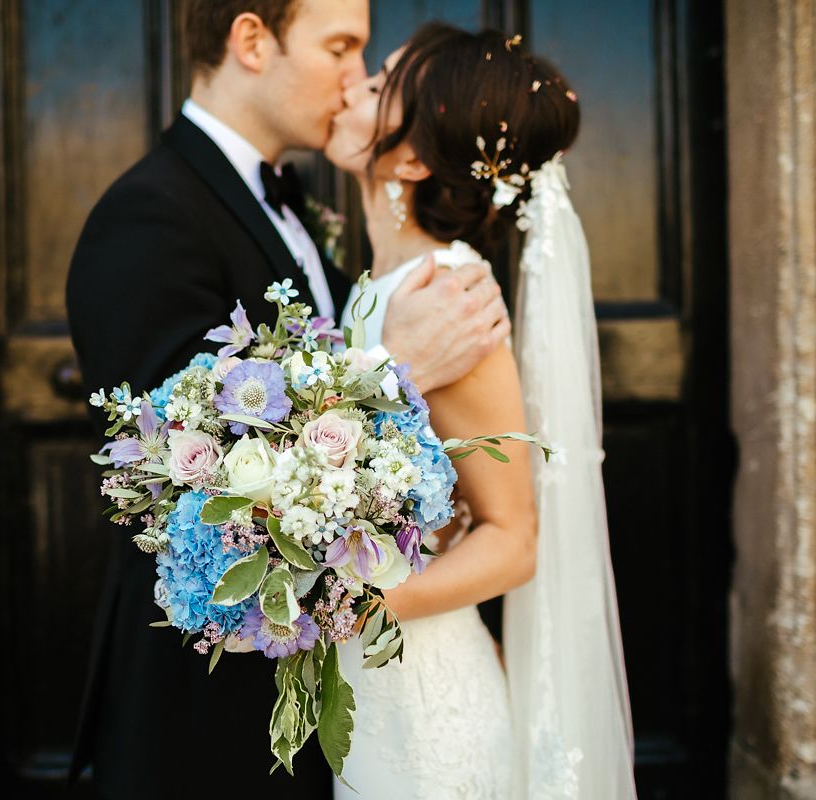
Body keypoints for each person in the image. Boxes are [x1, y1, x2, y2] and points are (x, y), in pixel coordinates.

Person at [63, 3, 511, 796]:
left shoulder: (300, 207)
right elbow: (179, 490)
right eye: (340, 46)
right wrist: (389, 362)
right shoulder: (147, 217)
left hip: (316, 694)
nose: (354, 78)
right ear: (250, 41)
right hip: (202, 710)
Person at [325, 22, 637, 798]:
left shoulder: (453, 298)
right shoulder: (377, 287)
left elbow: (514, 539)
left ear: (414, 157)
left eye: (378, 83)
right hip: (365, 685)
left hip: (421, 702)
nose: (351, 82)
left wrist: (358, 603)